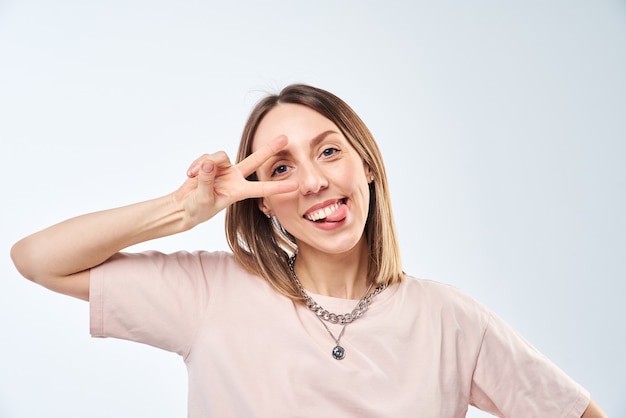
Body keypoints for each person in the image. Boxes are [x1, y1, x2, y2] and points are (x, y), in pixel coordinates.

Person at [11, 84, 605, 417]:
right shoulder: (211, 294)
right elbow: (36, 259)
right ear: (264, 201)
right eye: (281, 167)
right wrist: (180, 210)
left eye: (328, 152)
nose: (314, 182)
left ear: (366, 166)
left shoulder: (449, 320)